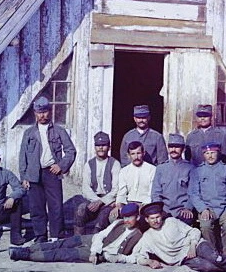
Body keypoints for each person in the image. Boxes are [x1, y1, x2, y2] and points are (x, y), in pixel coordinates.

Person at [126, 202, 226, 272]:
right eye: (152, 219)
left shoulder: (171, 222)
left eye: (158, 217)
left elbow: (194, 231)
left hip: (196, 245)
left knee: (215, 258)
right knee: (209, 267)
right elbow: (137, 256)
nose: (156, 221)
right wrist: (149, 262)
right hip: (183, 258)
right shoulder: (147, 237)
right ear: (147, 220)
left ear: (161, 216)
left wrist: (192, 246)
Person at [18, 96, 76, 244]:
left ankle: (57, 236)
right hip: (33, 174)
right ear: (35, 113)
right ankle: (40, 236)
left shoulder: (58, 130)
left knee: (55, 206)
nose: (42, 115)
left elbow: (71, 151)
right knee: (36, 207)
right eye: (39, 112)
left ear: (50, 112)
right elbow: (22, 155)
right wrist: (24, 176)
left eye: (45, 112)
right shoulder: (29, 133)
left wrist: (61, 166)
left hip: (52, 173)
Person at [9, 202, 143, 263]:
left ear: (137, 217)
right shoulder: (118, 223)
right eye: (125, 216)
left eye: (130, 217)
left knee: (62, 254)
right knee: (62, 243)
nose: (126, 220)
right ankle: (27, 250)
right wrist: (94, 250)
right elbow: (102, 235)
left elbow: (134, 258)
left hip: (102, 254)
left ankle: (25, 256)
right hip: (94, 241)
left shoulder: (139, 236)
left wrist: (113, 257)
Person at [189, 142, 226, 256]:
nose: (210, 156)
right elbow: (194, 193)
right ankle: (213, 253)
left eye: (213, 153)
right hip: (207, 208)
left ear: (218, 153)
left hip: (224, 208)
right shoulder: (197, 171)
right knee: (205, 226)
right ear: (203, 155)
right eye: (207, 153)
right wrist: (203, 209)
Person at [74, 131, 120, 235]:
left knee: (102, 218)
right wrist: (96, 201)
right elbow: (85, 188)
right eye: (98, 145)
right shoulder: (89, 164)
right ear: (95, 147)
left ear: (109, 147)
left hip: (109, 201)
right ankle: (78, 241)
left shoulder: (115, 164)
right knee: (80, 210)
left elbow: (116, 189)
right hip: (93, 199)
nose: (101, 148)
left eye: (104, 145)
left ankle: (97, 242)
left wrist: (101, 202)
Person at [151, 133, 195, 225]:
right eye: (171, 146)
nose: (173, 150)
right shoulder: (161, 168)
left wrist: (188, 208)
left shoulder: (190, 168)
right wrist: (158, 210)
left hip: (182, 210)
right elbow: (155, 192)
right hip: (164, 210)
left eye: (177, 147)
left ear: (183, 149)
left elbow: (193, 192)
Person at [111, 140, 157, 221]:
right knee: (113, 217)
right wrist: (119, 205)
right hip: (128, 204)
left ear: (143, 153)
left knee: (140, 219)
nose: (136, 157)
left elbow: (152, 193)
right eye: (133, 154)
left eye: (138, 153)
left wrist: (144, 206)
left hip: (145, 204)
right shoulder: (124, 171)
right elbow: (122, 192)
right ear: (128, 155)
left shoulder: (152, 169)